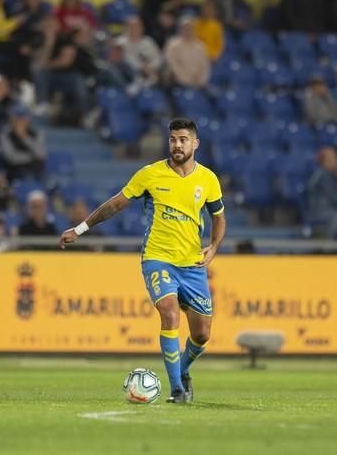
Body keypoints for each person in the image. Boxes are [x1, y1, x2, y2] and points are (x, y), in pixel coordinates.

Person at [59, 117, 226, 404]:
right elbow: (115, 204)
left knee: (201, 336)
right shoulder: (150, 175)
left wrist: (213, 246)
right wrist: (81, 228)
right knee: (170, 315)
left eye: (183, 139)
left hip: (192, 266)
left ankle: (182, 370)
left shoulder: (208, 179)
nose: (177, 145)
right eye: (173, 139)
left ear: (195, 144)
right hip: (157, 259)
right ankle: (177, 390)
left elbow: (219, 218)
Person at [163, 16, 210, 88]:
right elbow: (173, 65)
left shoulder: (200, 46)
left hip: (199, 83)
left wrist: (201, 80)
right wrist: (187, 80)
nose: (188, 31)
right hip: (178, 83)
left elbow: (205, 67)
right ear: (180, 29)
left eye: (190, 28)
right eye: (185, 28)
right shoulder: (173, 45)